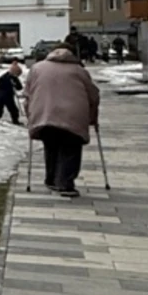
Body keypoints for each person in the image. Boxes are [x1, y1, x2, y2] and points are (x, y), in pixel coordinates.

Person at [24, 45, 101, 199]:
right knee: (70, 148)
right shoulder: (79, 71)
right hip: (73, 115)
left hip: (45, 114)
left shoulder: (37, 68)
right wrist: (92, 117)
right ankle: (65, 183)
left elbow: (28, 94)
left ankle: (51, 179)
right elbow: (93, 95)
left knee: (51, 145)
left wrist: (30, 115)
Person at [0, 60, 24, 125]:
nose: (17, 76)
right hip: (2, 95)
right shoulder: (4, 77)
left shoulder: (14, 78)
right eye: (17, 74)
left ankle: (15, 120)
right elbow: (1, 85)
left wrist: (15, 85)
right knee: (0, 108)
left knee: (13, 109)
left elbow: (19, 87)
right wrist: (11, 84)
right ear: (14, 72)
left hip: (7, 95)